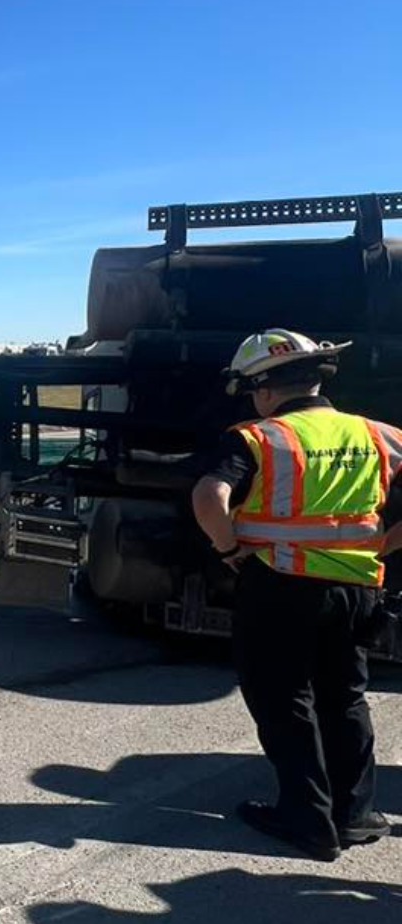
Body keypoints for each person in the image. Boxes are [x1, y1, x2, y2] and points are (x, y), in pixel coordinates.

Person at [191, 328, 402, 861]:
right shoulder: (377, 433)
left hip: (280, 586)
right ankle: (354, 815)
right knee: (344, 697)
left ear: (264, 389)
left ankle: (305, 819)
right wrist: (383, 546)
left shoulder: (259, 436)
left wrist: (227, 547)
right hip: (357, 588)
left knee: (283, 700)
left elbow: (209, 495)